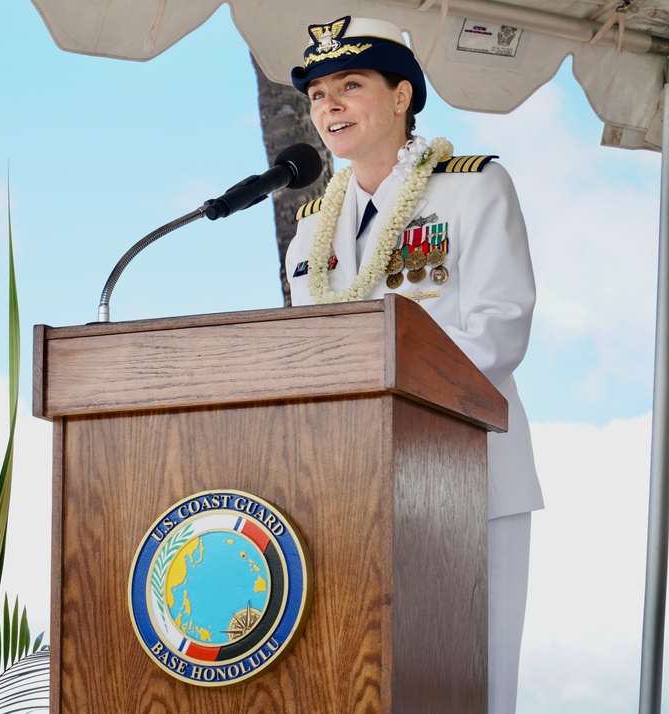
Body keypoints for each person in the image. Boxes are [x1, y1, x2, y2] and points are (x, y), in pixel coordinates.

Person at [284, 16, 544, 714]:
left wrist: (393, 382)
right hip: (348, 487)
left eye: (349, 85)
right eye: (316, 94)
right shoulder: (311, 227)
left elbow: (500, 327)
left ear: (402, 96)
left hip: (467, 476)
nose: (328, 104)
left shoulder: (473, 188)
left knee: (471, 686)